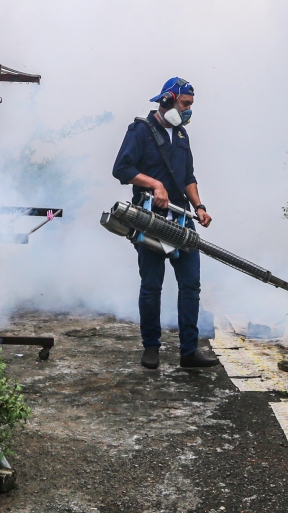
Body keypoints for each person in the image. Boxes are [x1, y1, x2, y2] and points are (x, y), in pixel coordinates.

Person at [112, 77, 219, 370]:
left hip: (182, 217)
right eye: (185, 104)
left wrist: (199, 206)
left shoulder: (182, 137)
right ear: (168, 100)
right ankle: (151, 347)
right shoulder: (141, 131)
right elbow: (121, 168)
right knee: (152, 285)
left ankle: (188, 351)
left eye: (190, 106)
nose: (188, 111)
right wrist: (154, 184)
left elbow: (188, 177)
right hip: (150, 218)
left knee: (190, 285)